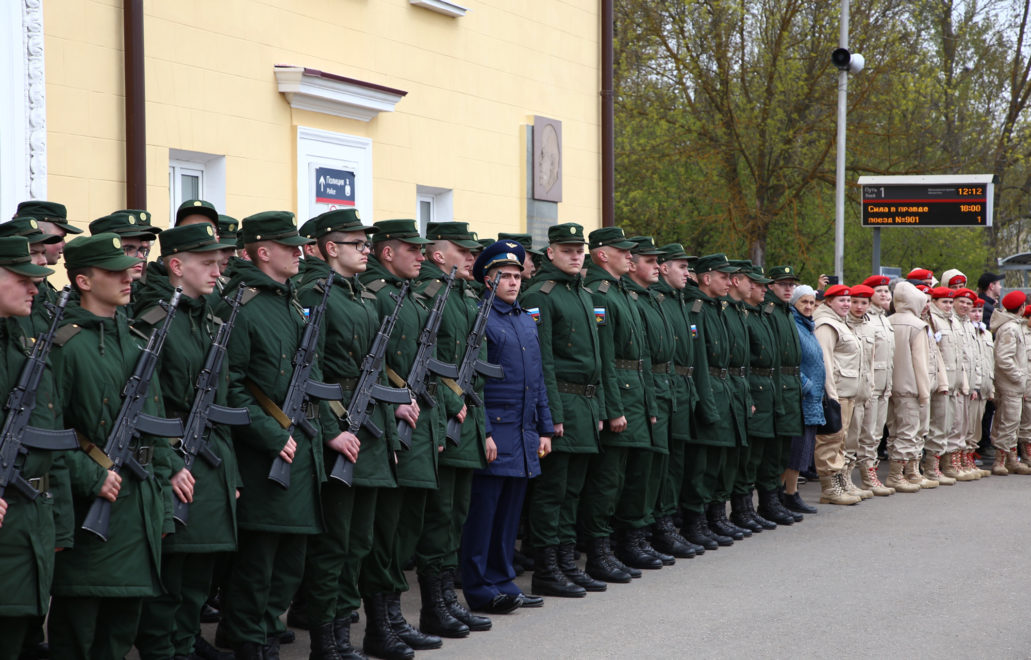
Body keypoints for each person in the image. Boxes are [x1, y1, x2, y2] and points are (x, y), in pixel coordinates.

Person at [216, 211, 344, 658]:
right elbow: (228, 387)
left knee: (290, 562)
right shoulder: (242, 306)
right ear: (262, 251)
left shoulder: (289, 301)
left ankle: (265, 631)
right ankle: (250, 640)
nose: (299, 252)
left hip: (300, 448)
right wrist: (271, 436)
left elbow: (310, 376)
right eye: (289, 246)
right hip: (265, 457)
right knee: (259, 563)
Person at [48, 233, 177, 659]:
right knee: (78, 635)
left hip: (137, 505)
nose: (128, 277)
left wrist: (159, 497)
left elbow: (153, 428)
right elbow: (48, 431)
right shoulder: (65, 347)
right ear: (83, 281)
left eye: (128, 269)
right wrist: (91, 478)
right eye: (114, 272)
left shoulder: (139, 341)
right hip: (92, 512)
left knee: (121, 635)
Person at [133, 223, 243, 660]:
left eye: (219, 263)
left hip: (211, 461)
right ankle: (164, 649)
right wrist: (169, 464)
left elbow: (223, 401)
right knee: (170, 573)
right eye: (207, 263)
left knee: (200, 569)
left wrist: (229, 469)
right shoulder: (155, 323)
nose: (218, 271)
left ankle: (185, 644)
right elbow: (146, 404)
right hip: (174, 460)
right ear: (176, 266)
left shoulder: (211, 319)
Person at [294, 208, 386, 659]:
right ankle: (324, 641)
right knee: (334, 544)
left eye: (366, 244)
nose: (366, 250)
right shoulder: (316, 294)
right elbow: (309, 368)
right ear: (331, 248)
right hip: (339, 426)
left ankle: (344, 634)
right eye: (357, 244)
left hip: (367, 424)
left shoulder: (362, 296)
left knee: (359, 541)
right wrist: (331, 428)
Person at [359, 219, 445, 658]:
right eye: (412, 249)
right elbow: (369, 365)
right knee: (386, 534)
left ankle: (394, 615)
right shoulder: (378, 297)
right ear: (387, 252)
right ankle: (381, 623)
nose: (421, 256)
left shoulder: (407, 297)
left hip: (419, 426)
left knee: (406, 528)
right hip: (392, 427)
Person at [460, 242, 554, 612]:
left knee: (509, 516)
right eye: (505, 277)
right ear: (487, 280)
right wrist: (482, 432)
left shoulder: (522, 319)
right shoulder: (481, 319)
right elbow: (474, 382)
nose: (513, 282)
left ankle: (503, 581)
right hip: (496, 431)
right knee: (483, 515)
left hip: (523, 431)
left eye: (517, 276)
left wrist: (544, 427)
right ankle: (480, 587)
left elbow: (538, 379)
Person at [413, 221, 491, 637]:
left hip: (465, 416)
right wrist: (450, 403)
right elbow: (425, 360)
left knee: (456, 514)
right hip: (445, 417)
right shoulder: (431, 295)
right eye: (462, 251)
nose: (471, 258)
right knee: (440, 517)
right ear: (438, 254)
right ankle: (433, 606)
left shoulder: (463, 294)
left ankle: (447, 599)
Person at [521, 223, 608, 591]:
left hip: (585, 406)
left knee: (572, 492)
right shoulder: (541, 295)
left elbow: (598, 360)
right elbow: (543, 362)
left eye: (579, 250)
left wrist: (600, 408)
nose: (575, 256)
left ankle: (565, 561)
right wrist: (551, 415)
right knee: (552, 492)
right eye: (568, 250)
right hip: (562, 404)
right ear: (551, 253)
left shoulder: (584, 294)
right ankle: (546, 569)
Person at [0, 237, 70, 659]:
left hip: (28, 522)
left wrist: (59, 524)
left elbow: (52, 431)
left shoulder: (21, 343)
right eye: (23, 278)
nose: (34, 287)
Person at [580, 227, 655, 578]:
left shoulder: (622, 292)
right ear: (601, 255)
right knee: (607, 482)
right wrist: (613, 409)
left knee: (627, 478)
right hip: (619, 398)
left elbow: (640, 358)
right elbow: (605, 358)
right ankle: (599, 551)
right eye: (622, 251)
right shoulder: (601, 294)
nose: (630, 256)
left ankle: (626, 543)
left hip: (634, 394)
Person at [619, 236, 677, 565]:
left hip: (656, 386)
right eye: (650, 261)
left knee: (655, 468)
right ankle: (630, 538)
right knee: (638, 472)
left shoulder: (651, 297)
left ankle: (643, 534)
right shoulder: (631, 298)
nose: (658, 266)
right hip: (640, 388)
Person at [651, 244, 707, 555]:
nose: (688, 273)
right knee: (664, 465)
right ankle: (661, 526)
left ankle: (670, 523)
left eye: (688, 268)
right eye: (682, 267)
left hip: (683, 388)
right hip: (667, 386)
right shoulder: (660, 299)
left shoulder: (680, 301)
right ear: (664, 268)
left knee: (677, 463)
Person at [681, 254, 740, 546]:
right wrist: (706, 402)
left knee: (719, 461)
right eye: (724, 277)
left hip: (723, 389)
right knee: (701, 466)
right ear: (706, 278)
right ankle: (696, 522)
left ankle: (714, 517)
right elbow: (701, 363)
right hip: (709, 391)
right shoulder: (697, 309)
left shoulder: (718, 308)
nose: (730, 282)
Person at [812, 284, 863, 505]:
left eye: (848, 300)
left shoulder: (841, 323)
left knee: (841, 440)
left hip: (847, 391)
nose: (846, 304)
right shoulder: (826, 324)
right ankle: (829, 487)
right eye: (841, 300)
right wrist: (831, 394)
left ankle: (841, 481)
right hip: (836, 393)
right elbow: (825, 362)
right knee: (830, 440)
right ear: (829, 301)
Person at [763, 266, 806, 522]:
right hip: (778, 384)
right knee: (773, 450)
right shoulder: (770, 312)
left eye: (791, 284)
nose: (788, 288)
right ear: (771, 286)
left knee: (784, 448)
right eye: (783, 284)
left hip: (791, 385)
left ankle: (778, 498)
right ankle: (770, 501)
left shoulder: (786, 311)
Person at [884, 282, 931, 493]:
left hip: (889, 385)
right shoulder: (917, 326)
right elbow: (920, 363)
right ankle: (897, 474)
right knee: (909, 431)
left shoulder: (887, 321)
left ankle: (910, 471)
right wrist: (924, 392)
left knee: (894, 430)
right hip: (910, 386)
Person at [782, 285, 822, 513]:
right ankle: (788, 493)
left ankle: (791, 492)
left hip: (812, 397)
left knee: (804, 448)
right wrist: (805, 384)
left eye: (811, 302)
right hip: (802, 395)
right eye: (803, 302)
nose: (808, 307)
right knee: (796, 449)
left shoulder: (808, 325)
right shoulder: (794, 326)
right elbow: (790, 359)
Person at [841, 285, 879, 498]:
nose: (858, 307)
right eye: (854, 302)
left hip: (865, 390)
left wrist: (871, 386)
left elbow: (871, 362)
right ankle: (842, 479)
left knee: (860, 436)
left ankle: (851, 477)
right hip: (848, 389)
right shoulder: (844, 325)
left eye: (863, 303)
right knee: (845, 438)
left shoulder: (870, 327)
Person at [859, 275, 895, 495]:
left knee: (877, 433)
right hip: (871, 385)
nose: (884, 294)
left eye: (886, 290)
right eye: (879, 290)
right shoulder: (866, 318)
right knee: (867, 434)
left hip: (884, 385)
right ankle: (866, 475)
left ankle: (870, 471)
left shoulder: (884, 319)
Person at [989, 290, 1029, 476]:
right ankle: (1000, 460)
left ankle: (1011, 459)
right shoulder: (1010, 328)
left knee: (1012, 423)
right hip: (1010, 385)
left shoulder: (1014, 326)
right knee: (1007, 422)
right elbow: (1004, 358)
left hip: (1013, 385)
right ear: (1021, 308)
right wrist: (1019, 375)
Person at [966, 298, 994, 478]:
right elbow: (970, 362)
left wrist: (990, 387)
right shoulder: (967, 331)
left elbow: (989, 362)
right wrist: (974, 386)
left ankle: (970, 455)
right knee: (968, 424)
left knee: (977, 424)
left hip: (984, 385)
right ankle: (964, 458)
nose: (977, 314)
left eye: (979, 311)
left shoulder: (986, 333)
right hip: (972, 387)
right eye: (973, 310)